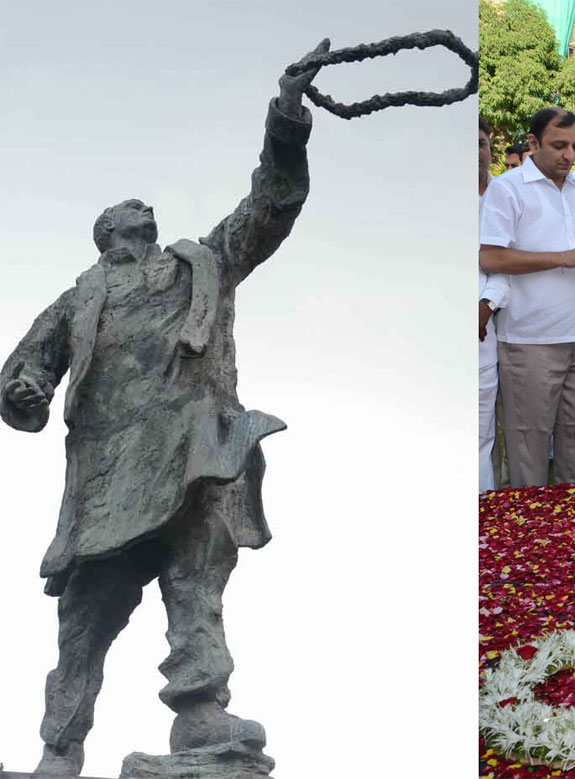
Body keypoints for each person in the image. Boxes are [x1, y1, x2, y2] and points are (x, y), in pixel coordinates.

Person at [0, 40, 329, 775]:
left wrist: (287, 118)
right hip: (108, 472)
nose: (145, 209)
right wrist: (24, 389)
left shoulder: (198, 264)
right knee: (86, 611)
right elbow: (26, 367)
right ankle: (60, 745)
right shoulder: (80, 298)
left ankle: (201, 713)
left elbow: (269, 207)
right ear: (108, 233)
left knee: (195, 579)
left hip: (188, 452)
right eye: (130, 210)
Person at [479, 107, 575, 487]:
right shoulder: (508, 188)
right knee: (528, 449)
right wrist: (563, 258)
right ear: (533, 144)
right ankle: (528, 525)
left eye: (574, 146)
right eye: (558, 145)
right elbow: (490, 257)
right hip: (530, 341)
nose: (569, 155)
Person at [478, 116, 509, 491]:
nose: (474, 152)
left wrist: (485, 305)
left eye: (480, 143)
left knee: (484, 435)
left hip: (491, 329)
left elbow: (505, 263)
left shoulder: (505, 194)